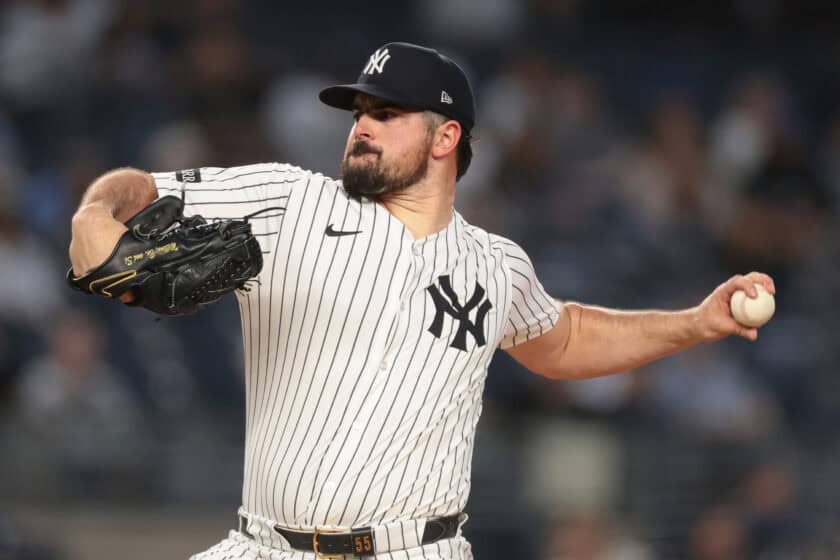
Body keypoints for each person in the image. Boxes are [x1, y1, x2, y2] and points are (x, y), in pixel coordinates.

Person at [67, 42, 775, 560]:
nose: (361, 125)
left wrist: (696, 322)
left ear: (446, 136)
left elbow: (564, 340)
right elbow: (137, 191)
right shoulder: (290, 199)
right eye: (359, 111)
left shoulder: (496, 265)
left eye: (387, 112)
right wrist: (94, 218)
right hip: (264, 547)